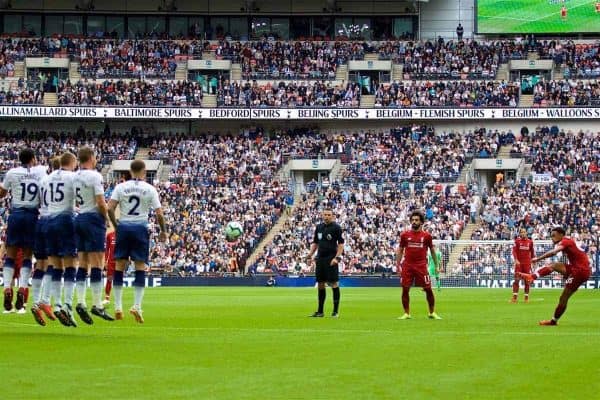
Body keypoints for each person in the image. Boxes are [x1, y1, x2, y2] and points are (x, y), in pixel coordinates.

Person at [107, 160, 167, 323]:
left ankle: (118, 306)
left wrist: (116, 225)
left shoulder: (121, 187)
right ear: (144, 171)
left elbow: (110, 207)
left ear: (130, 171)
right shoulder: (150, 189)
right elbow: (159, 214)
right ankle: (137, 306)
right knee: (140, 267)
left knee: (119, 267)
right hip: (140, 228)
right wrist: (163, 231)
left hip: (124, 227)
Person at [0, 148, 46, 314]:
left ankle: (6, 288)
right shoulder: (41, 172)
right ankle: (22, 288)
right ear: (33, 159)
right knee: (27, 256)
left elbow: (2, 193)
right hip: (32, 216)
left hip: (16, 214)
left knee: (10, 255)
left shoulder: (12, 172)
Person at [73, 147, 114, 323]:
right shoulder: (95, 176)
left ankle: (81, 301)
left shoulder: (74, 176)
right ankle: (97, 304)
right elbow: (100, 202)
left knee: (82, 263)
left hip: (80, 217)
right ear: (91, 158)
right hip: (93, 219)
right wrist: (107, 219)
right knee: (97, 263)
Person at [520, 227, 591, 325]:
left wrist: (538, 259)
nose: (552, 238)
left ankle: (553, 321)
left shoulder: (565, 241)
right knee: (554, 265)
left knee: (563, 297)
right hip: (577, 269)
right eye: (551, 236)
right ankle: (532, 277)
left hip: (580, 271)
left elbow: (553, 252)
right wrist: (566, 274)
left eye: (554, 235)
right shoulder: (568, 242)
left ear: (561, 235)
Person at [46, 152, 79, 327]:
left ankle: (57, 303)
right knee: (71, 264)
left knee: (56, 266)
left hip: (49, 221)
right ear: (72, 162)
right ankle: (67, 305)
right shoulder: (73, 177)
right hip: (66, 219)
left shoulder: (48, 177)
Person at [30, 157, 61, 325]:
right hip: (53, 221)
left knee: (40, 264)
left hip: (40, 221)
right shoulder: (62, 181)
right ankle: (45, 300)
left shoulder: (42, 181)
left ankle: (36, 302)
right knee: (53, 263)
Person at [396, 211, 441, 320]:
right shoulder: (405, 235)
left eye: (416, 220)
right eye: (413, 220)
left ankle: (432, 312)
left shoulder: (427, 236)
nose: (414, 222)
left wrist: (437, 265)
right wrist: (398, 265)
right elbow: (400, 250)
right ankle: (406, 313)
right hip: (407, 266)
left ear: (421, 222)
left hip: (421, 266)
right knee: (405, 289)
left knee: (428, 289)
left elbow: (433, 251)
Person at [306, 207, 344, 318]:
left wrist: (337, 258)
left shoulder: (336, 228)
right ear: (322, 215)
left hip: (331, 259)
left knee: (334, 283)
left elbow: (341, 244)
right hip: (320, 259)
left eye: (329, 215)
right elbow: (316, 243)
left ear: (332, 216)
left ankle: (335, 311)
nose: (326, 216)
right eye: (325, 214)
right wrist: (310, 254)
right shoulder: (319, 227)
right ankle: (320, 311)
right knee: (321, 284)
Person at [510, 227, 535, 303]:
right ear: (520, 233)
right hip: (519, 264)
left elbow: (532, 252)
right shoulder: (517, 241)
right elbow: (514, 251)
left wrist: (533, 261)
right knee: (516, 280)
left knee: (527, 281)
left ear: (526, 233)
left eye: (524, 232)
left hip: (527, 264)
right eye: (522, 232)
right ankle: (514, 298)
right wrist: (516, 259)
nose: (523, 233)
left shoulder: (530, 242)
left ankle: (526, 298)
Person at [103, 229, 116, 305]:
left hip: (119, 261)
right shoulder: (110, 235)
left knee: (118, 280)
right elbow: (107, 249)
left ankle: (118, 299)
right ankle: (107, 298)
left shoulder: (123, 234)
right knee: (109, 279)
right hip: (111, 262)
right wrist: (105, 261)